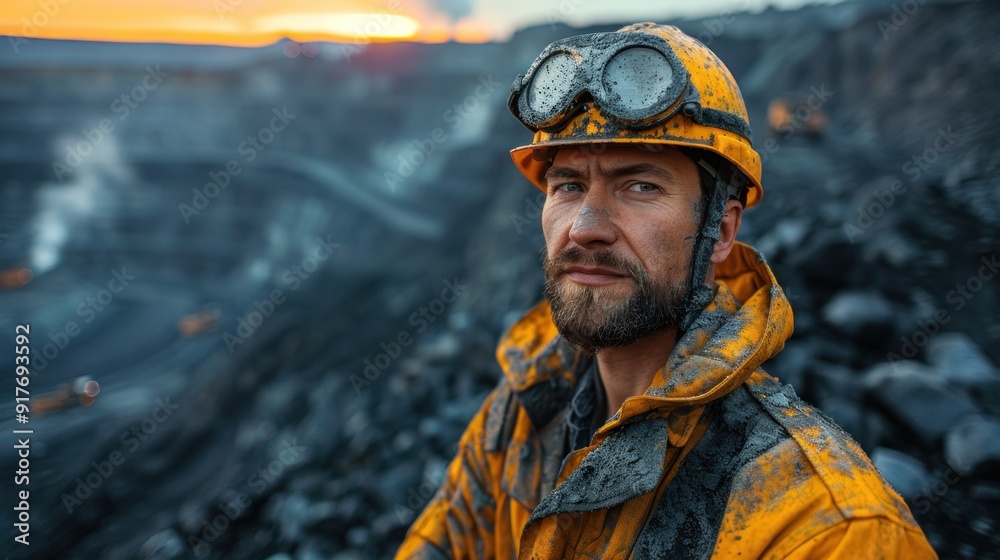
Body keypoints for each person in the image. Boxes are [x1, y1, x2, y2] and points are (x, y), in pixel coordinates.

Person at [395, 22, 937, 559]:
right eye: (568, 185)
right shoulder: (522, 412)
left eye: (640, 186)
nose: (584, 227)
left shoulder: (827, 529)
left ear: (721, 231)